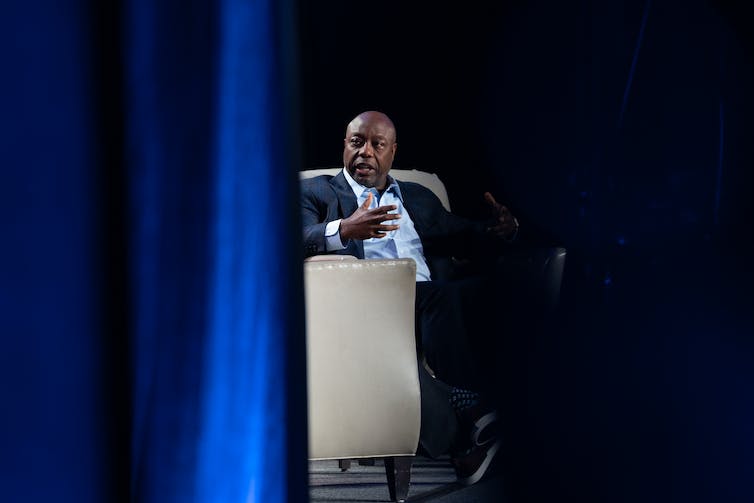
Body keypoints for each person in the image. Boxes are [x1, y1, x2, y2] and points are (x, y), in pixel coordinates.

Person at [300, 110, 519, 485]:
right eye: (357, 142)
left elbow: (463, 233)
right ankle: (482, 416)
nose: (365, 152)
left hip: (430, 299)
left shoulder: (416, 197)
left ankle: (485, 419)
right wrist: (345, 229)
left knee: (494, 291)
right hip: (363, 305)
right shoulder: (317, 192)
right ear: (344, 146)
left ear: (392, 153)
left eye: (377, 144)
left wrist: (502, 230)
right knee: (441, 299)